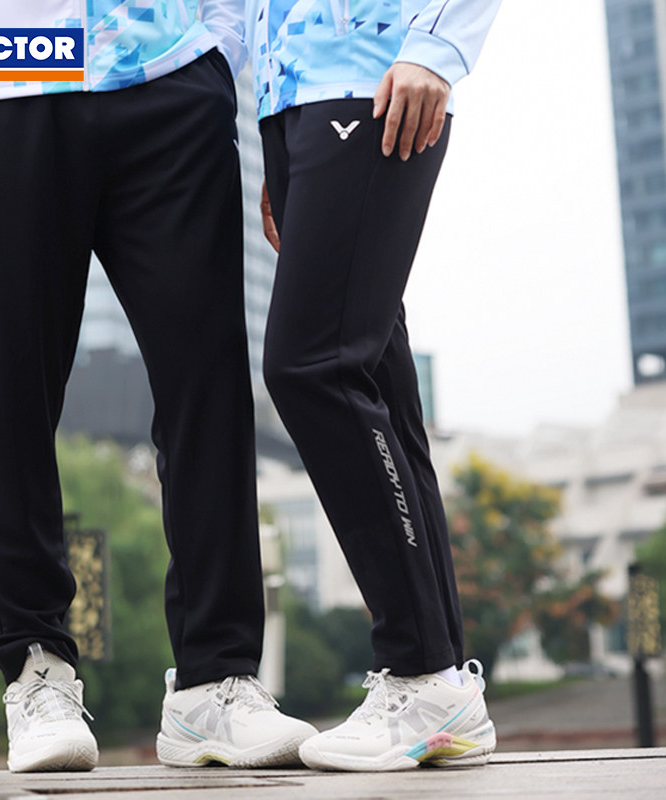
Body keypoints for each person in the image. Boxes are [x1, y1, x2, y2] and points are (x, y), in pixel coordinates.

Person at [0, 0, 316, 773]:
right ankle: (37, 671)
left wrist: (220, 47)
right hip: (5, 66)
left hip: (167, 64)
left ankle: (215, 680)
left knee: (210, 389)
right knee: (10, 397)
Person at [245, 0, 503, 771]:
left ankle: (422, 671)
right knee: (378, 381)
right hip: (295, 98)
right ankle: (442, 684)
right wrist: (277, 127)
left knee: (312, 364)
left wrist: (439, 45)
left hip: (376, 75)